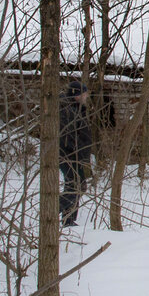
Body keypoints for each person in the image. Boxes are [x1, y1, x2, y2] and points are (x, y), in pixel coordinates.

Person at [59, 79, 92, 227]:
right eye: (84, 93)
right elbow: (68, 135)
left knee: (76, 186)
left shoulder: (76, 109)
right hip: (69, 155)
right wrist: (77, 150)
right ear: (76, 95)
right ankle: (52, 211)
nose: (86, 96)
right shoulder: (67, 111)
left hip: (75, 155)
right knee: (76, 187)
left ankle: (69, 221)